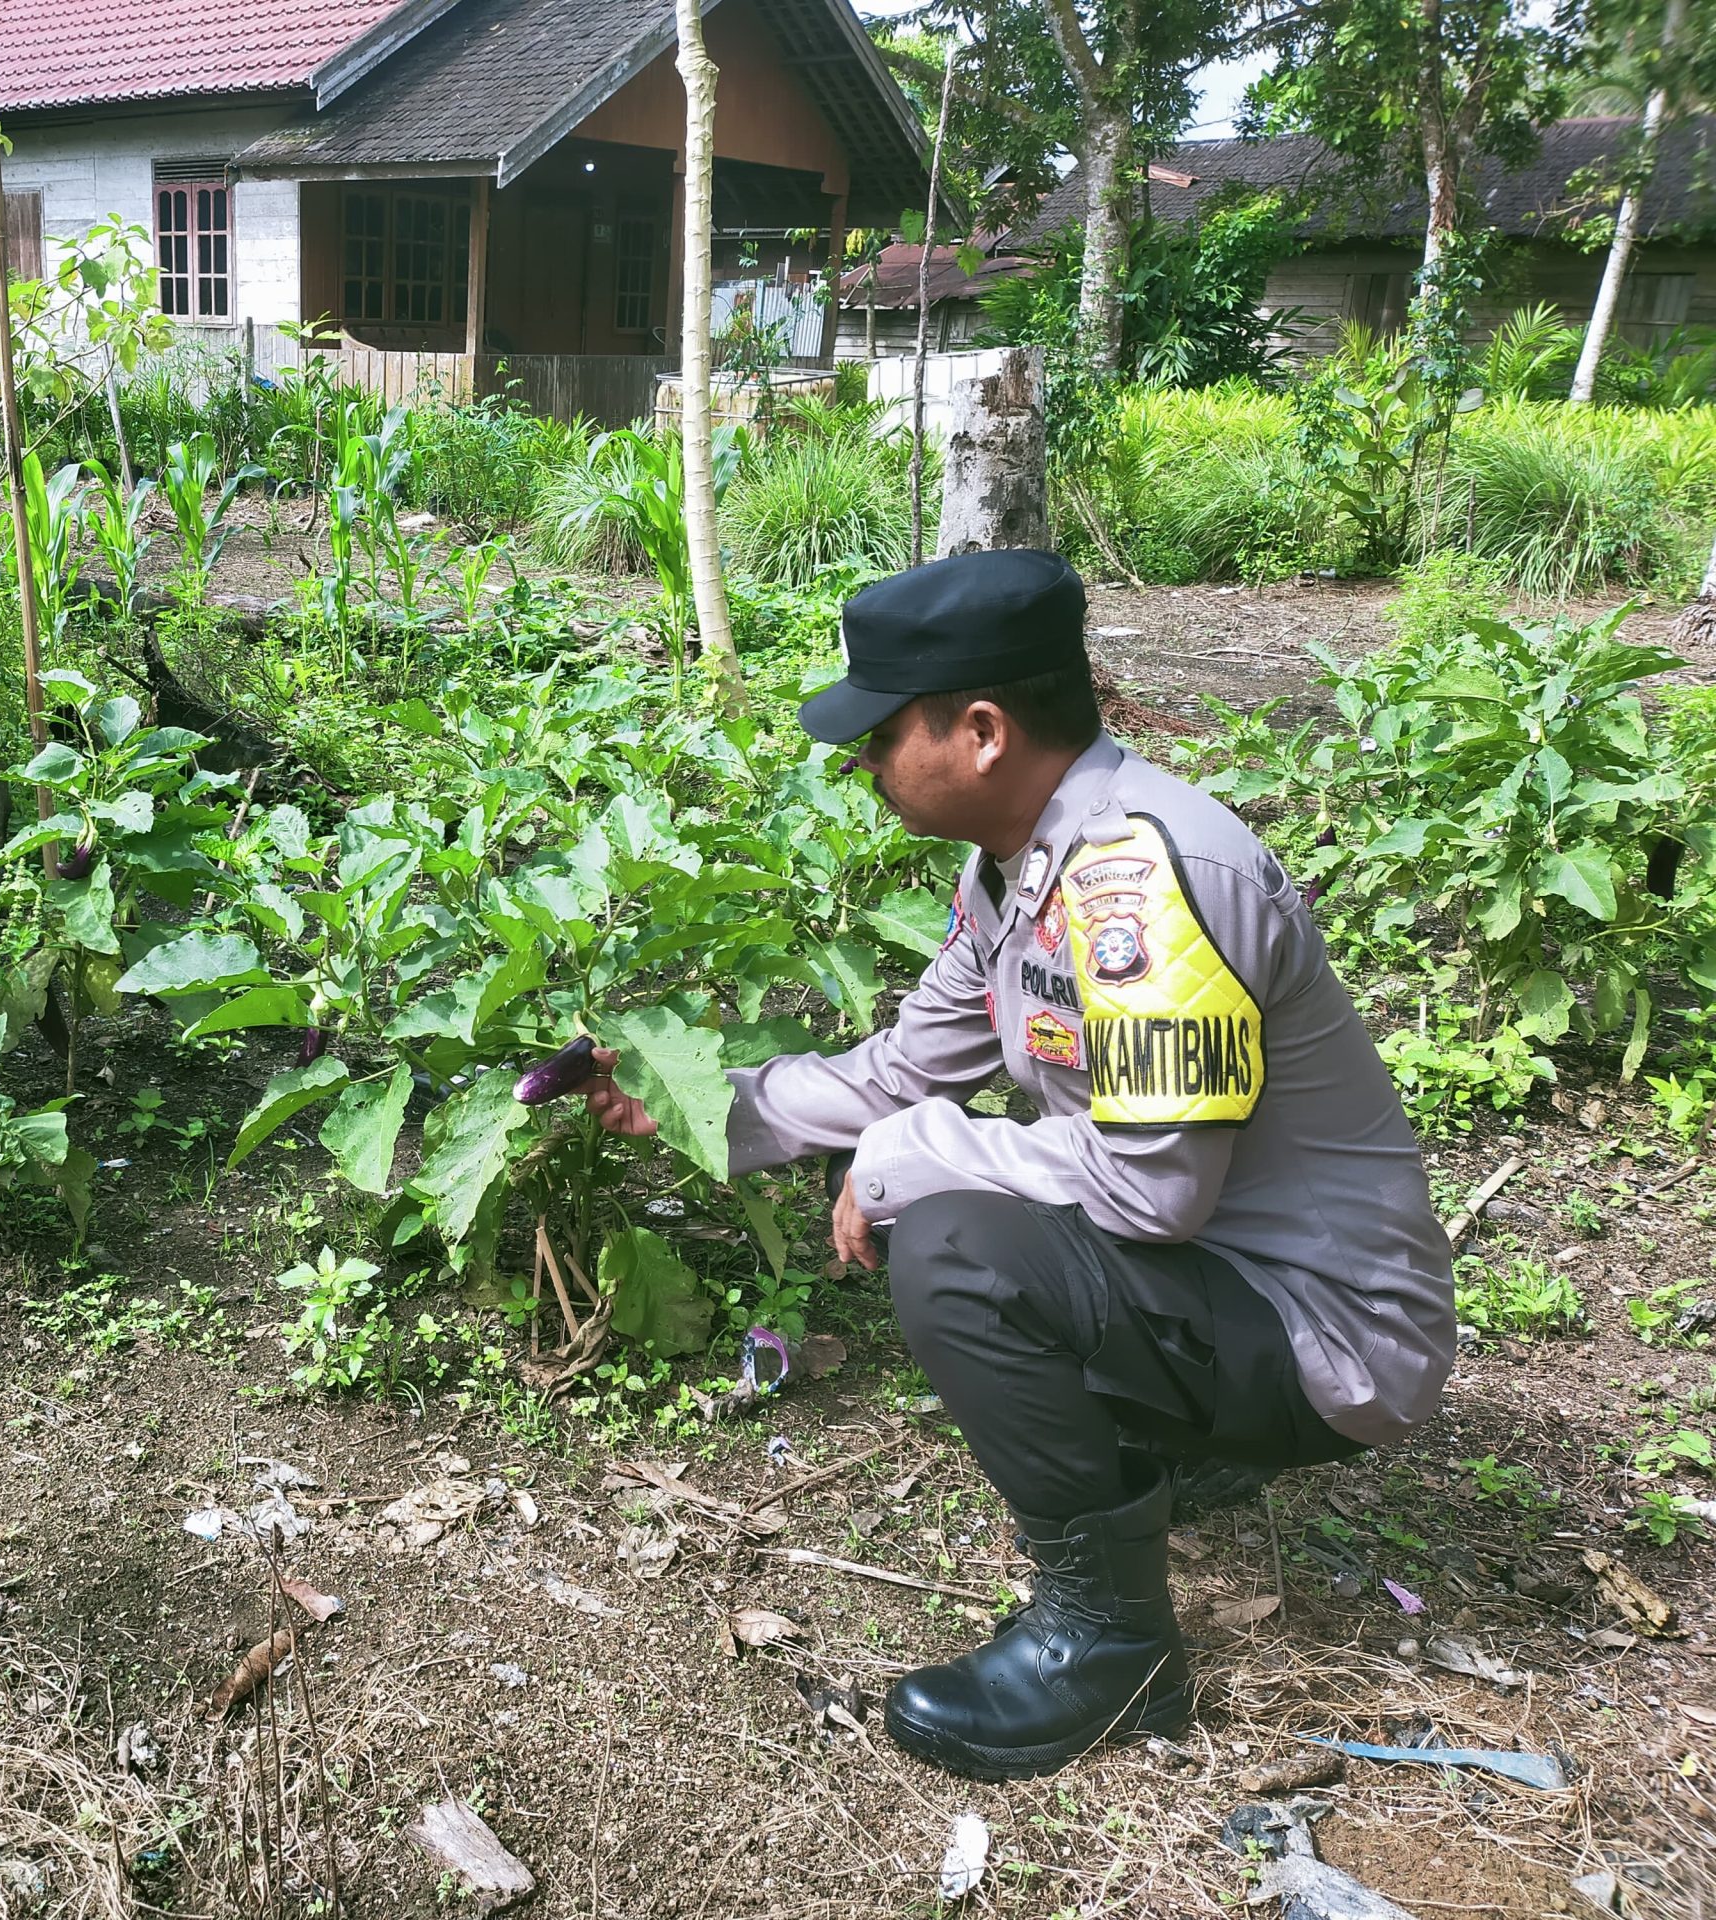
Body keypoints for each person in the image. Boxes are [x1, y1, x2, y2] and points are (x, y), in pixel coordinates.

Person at [581, 549, 1453, 1783]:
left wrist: (904, 1161)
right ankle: (1161, 1460)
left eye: (882, 734)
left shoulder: (1139, 882)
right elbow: (901, 1069)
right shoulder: (1018, 866)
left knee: (955, 1248)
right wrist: (686, 1108)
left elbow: (1150, 1190)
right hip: (1223, 1282)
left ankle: (1109, 1648)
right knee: (943, 1196)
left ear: (980, 730)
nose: (862, 762)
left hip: (1328, 1336)